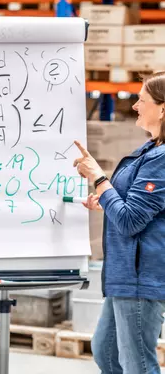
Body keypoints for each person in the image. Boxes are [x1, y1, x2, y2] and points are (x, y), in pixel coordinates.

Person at [74, 71, 165, 373]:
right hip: (125, 273)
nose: (136, 106)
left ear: (162, 109)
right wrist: (105, 201)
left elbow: (130, 221)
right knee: (106, 353)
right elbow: (131, 206)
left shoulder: (161, 158)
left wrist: (98, 178)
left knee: (136, 363)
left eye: (142, 100)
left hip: (140, 276)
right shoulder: (149, 150)